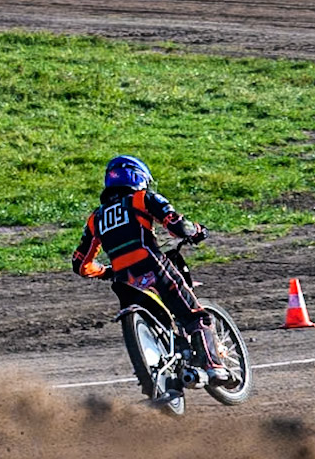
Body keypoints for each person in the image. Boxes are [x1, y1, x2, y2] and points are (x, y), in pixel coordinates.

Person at [73, 155, 233, 386]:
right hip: (154, 267)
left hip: (123, 281)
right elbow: (177, 225)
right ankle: (215, 367)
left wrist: (106, 271)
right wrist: (196, 231)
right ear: (137, 177)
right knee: (196, 316)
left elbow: (80, 264)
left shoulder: (95, 219)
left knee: (158, 323)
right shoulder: (142, 198)